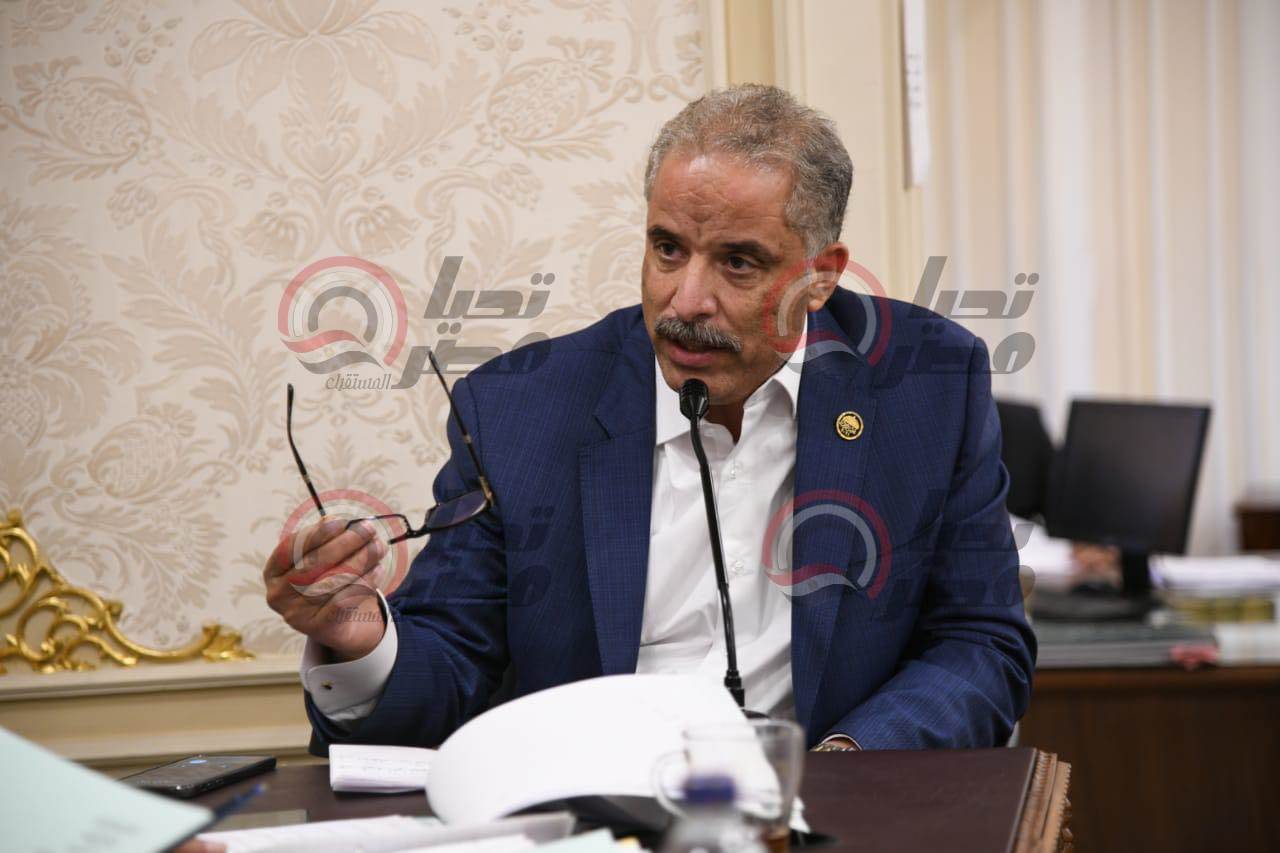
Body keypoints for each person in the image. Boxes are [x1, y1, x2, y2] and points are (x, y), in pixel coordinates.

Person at [264, 84, 1035, 752]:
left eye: (738, 262)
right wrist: (364, 643)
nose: (685, 300)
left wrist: (846, 761)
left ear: (821, 276)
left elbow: (980, 641)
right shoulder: (518, 412)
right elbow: (450, 663)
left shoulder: (925, 387)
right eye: (668, 248)